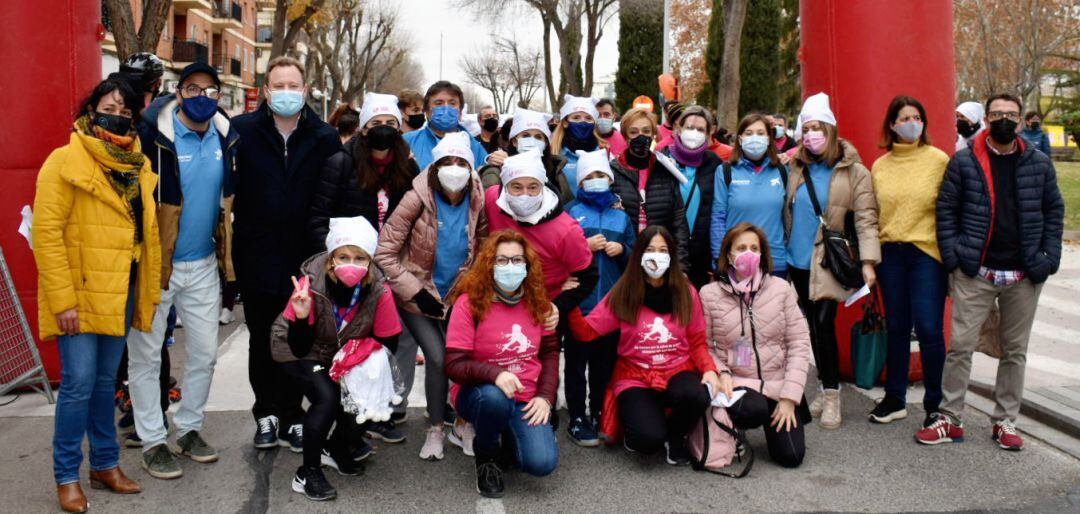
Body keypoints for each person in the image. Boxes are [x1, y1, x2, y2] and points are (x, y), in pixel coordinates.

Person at [34, 77, 160, 513]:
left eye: (126, 113)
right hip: (80, 293)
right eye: (110, 107)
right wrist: (62, 299)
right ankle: (67, 476)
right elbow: (46, 236)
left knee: (106, 383)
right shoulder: (64, 161)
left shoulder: (138, 165)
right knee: (78, 384)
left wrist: (148, 288)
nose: (118, 117)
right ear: (91, 110)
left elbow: (146, 232)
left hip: (121, 288)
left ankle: (105, 465)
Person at [917, 93, 1064, 450]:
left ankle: (1005, 421)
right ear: (986, 118)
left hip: (1023, 275)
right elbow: (946, 211)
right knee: (961, 348)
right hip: (976, 271)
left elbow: (1053, 211)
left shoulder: (1039, 163)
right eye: (996, 113)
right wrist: (956, 258)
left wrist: (1048, 260)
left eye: (1010, 114)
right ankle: (950, 417)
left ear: (1019, 119)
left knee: (1015, 351)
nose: (1004, 120)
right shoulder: (965, 161)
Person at [125, 62, 237, 479]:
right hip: (156, 266)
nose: (202, 97)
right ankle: (153, 440)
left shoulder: (227, 136)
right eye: (194, 89)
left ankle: (189, 428)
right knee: (147, 355)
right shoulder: (152, 136)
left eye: (211, 91)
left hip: (204, 263)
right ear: (178, 90)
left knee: (205, 355)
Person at [232, 56, 343, 451]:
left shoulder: (324, 136)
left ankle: (293, 414)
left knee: (299, 338)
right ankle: (266, 414)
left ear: (305, 88)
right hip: (256, 254)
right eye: (278, 85)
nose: (286, 92)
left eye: (293, 85)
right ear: (265, 91)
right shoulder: (241, 131)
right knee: (262, 338)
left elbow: (334, 195)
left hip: (305, 258)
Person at [374, 132, 489, 460]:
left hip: (458, 296)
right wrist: (415, 291)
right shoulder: (416, 198)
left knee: (466, 358)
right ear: (435, 166)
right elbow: (385, 253)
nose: (454, 168)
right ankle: (436, 429)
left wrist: (471, 287)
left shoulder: (478, 198)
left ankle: (463, 423)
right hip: (418, 297)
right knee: (437, 358)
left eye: (461, 163)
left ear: (470, 167)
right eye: (446, 162)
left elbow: (483, 246)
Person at [272, 216, 402, 501]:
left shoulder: (380, 291)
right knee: (327, 398)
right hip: (299, 349)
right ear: (331, 259)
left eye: (359, 257)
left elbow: (387, 340)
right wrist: (303, 316)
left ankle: (337, 447)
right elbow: (298, 345)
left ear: (369, 261)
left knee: (366, 395)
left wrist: (361, 365)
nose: (351, 263)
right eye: (343, 256)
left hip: (344, 352)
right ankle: (307, 472)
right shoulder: (309, 285)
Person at [568, 226, 720, 465]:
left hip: (677, 369)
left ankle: (676, 436)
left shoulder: (686, 292)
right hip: (635, 375)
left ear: (671, 256)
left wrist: (710, 370)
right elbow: (587, 332)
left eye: (662, 250)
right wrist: (572, 301)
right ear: (639, 255)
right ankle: (641, 421)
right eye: (650, 250)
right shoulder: (624, 292)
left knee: (697, 394)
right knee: (647, 441)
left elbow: (697, 342)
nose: (656, 256)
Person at [785, 92, 880, 430]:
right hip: (796, 259)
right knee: (811, 325)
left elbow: (867, 218)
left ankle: (831, 396)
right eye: (806, 128)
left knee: (824, 323)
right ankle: (824, 388)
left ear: (831, 129)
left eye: (818, 128)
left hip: (828, 260)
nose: (812, 134)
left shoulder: (855, 170)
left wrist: (869, 261)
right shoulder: (794, 165)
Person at [445, 230, 561, 498]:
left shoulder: (539, 302)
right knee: (495, 400)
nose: (511, 266)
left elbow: (550, 353)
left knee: (541, 464)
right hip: (480, 393)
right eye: (502, 260)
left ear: (527, 265)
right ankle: (486, 456)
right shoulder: (468, 304)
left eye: (518, 260)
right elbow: (454, 364)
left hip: (527, 395)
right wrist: (495, 374)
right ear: (489, 264)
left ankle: (508, 433)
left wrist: (545, 397)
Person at [700, 223, 812, 468]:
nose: (748, 253)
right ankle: (733, 428)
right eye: (741, 248)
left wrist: (789, 398)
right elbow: (704, 345)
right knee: (754, 408)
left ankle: (777, 414)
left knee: (791, 456)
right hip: (739, 385)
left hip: (778, 384)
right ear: (728, 254)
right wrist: (723, 373)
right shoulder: (709, 294)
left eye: (754, 247)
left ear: (762, 254)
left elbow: (799, 344)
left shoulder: (781, 289)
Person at [869, 95, 950, 426]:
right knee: (898, 327)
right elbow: (874, 214)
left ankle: (935, 403)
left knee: (930, 328)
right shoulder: (880, 166)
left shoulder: (938, 160)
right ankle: (895, 397)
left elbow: (949, 209)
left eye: (916, 117)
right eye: (903, 118)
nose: (911, 123)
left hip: (927, 254)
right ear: (891, 125)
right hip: (891, 254)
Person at [562, 149, 636, 446]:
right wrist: (584, 245)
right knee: (577, 364)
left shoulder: (621, 217)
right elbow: (561, 254)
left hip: (611, 305)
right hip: (580, 305)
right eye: (589, 177)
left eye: (600, 176)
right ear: (580, 182)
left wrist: (624, 251)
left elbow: (635, 255)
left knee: (604, 364)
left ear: (609, 179)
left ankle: (598, 409)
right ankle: (577, 415)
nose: (595, 181)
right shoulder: (569, 212)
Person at [484, 150, 596, 328]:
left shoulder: (566, 230)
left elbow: (588, 276)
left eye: (533, 187)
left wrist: (558, 306)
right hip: (494, 304)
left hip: (542, 313)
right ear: (505, 186)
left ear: (543, 186)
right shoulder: (491, 201)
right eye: (517, 187)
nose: (525, 194)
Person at [310, 92, 419, 242]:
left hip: (391, 259)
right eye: (376, 123)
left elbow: (415, 219)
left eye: (390, 123)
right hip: (350, 259)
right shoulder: (341, 163)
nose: (383, 128)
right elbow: (319, 219)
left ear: (398, 127)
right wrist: (338, 253)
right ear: (364, 128)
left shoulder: (408, 166)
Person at [609, 108, 691, 268]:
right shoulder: (612, 172)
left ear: (654, 134)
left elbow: (679, 222)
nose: (641, 136)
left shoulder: (666, 169)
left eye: (646, 131)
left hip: (659, 259)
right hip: (623, 260)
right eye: (634, 132)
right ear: (625, 136)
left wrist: (681, 266)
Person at [711, 113, 790, 278]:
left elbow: (789, 217)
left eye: (761, 133)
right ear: (740, 139)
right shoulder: (725, 171)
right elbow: (718, 217)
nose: (755, 137)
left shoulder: (782, 171)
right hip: (736, 261)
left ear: (769, 138)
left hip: (775, 262)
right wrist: (719, 257)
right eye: (749, 133)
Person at [662, 105, 722, 288]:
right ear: (678, 129)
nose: (694, 133)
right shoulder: (662, 160)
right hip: (667, 248)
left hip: (701, 254)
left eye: (700, 129)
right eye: (689, 127)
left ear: (709, 133)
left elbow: (718, 210)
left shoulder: (714, 163)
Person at [479, 108, 570, 205]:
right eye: (526, 136)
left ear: (545, 143)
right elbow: (490, 206)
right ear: (514, 142)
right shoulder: (497, 170)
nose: (532, 141)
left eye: (538, 137)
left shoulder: (556, 170)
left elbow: (565, 205)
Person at [403, 81, 500, 170]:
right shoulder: (407, 141)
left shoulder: (474, 146)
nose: (446, 108)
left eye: (452, 103)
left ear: (460, 113)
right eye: (439, 103)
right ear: (427, 112)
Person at [551, 95, 607, 199]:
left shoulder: (604, 153)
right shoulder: (553, 153)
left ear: (594, 123)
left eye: (588, 118)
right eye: (576, 118)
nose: (583, 122)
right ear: (565, 122)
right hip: (562, 214)